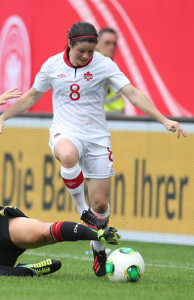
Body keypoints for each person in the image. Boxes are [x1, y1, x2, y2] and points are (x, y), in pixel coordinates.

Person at [0, 21, 187, 277]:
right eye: (81, 52)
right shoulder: (52, 66)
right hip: (65, 131)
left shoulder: (104, 65)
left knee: (101, 204)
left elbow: (131, 92)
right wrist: (5, 115)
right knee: (67, 156)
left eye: (91, 51)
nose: (87, 56)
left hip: (98, 139)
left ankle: (97, 247)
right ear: (70, 44)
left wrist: (164, 119)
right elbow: (32, 96)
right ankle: (82, 212)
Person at [0, 205, 120, 277]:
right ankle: (30, 269)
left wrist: (98, 234)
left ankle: (98, 234)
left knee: (45, 232)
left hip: (5, 232)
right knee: (8, 271)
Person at [96, 28, 125, 115]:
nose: (112, 47)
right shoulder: (99, 63)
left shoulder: (107, 63)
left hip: (110, 118)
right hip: (105, 117)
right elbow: (133, 94)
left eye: (114, 43)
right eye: (107, 43)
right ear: (96, 43)